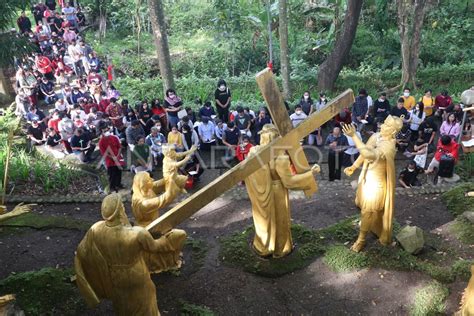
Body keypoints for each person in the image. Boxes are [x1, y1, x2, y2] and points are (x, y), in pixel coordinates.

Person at [75, 193, 185, 315]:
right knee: (146, 302)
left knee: (123, 304)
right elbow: (155, 247)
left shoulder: (96, 229)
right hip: (136, 275)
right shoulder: (137, 233)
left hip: (115, 277)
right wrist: (170, 238)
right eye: (122, 206)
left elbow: (82, 251)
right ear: (120, 211)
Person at [244, 124, 320, 258]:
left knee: (265, 220)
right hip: (278, 191)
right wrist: (310, 174)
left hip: (262, 194)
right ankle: (280, 249)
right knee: (279, 220)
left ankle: (264, 246)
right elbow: (289, 181)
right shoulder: (280, 156)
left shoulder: (254, 152)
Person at [132, 147, 196, 227]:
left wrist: (189, 151)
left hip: (172, 177)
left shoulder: (146, 190)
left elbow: (156, 185)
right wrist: (170, 184)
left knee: (181, 179)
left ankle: (179, 186)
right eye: (149, 179)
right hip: (150, 226)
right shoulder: (144, 203)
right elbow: (167, 197)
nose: (152, 179)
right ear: (142, 184)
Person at [98, 124, 125, 192]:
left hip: (118, 158)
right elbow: (104, 153)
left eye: (107, 130)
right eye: (105, 130)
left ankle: (118, 184)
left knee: (119, 172)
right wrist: (113, 157)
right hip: (109, 160)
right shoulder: (101, 141)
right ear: (102, 132)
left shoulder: (114, 137)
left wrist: (117, 156)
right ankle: (112, 187)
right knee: (112, 174)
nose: (107, 131)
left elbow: (119, 147)